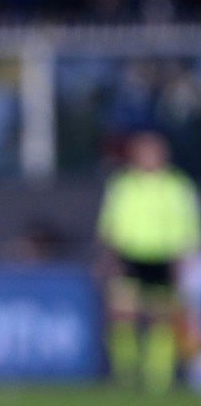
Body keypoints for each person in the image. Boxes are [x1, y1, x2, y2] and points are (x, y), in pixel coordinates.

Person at [97, 131, 200, 392]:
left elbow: (189, 226)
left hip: (163, 257)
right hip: (130, 255)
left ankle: (157, 378)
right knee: (122, 313)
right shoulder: (124, 185)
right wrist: (109, 255)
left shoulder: (177, 186)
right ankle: (126, 373)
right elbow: (110, 222)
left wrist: (184, 257)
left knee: (161, 318)